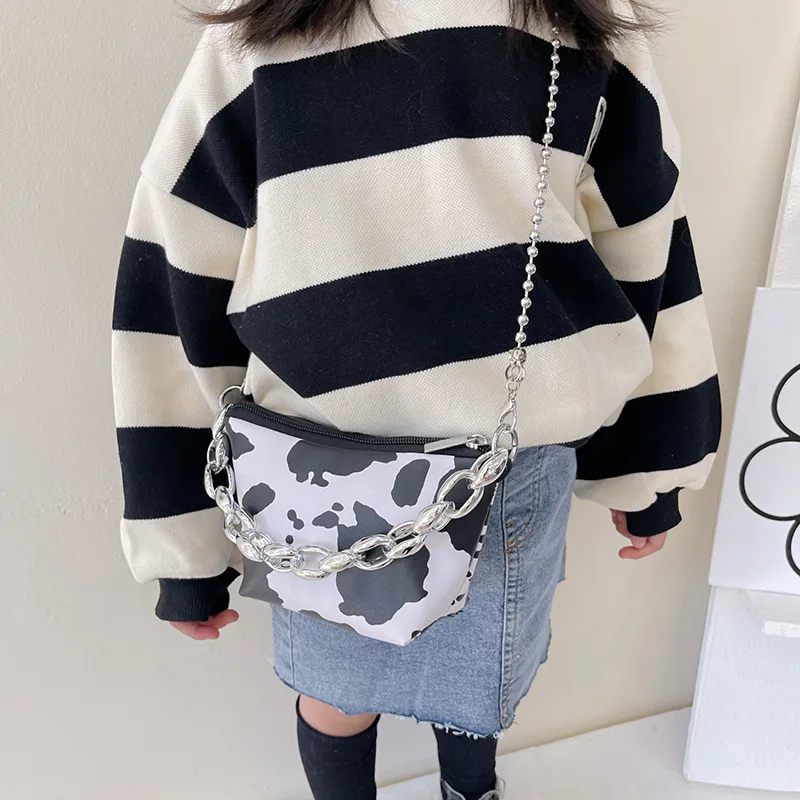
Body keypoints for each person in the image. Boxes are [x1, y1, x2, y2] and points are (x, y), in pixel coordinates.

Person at [110, 0, 721, 797]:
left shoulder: (582, 19)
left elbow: (647, 235)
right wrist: (183, 546)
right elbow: (175, 270)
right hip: (321, 481)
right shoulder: (263, 34)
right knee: (349, 694)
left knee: (466, 694)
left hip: (484, 468)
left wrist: (652, 465)